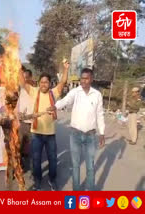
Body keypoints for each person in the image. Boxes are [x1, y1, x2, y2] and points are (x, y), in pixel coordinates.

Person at [48, 68, 105, 191]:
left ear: (91, 79)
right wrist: (55, 106)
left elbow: (100, 114)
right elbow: (65, 100)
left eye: (86, 78)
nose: (83, 81)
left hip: (90, 135)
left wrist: (102, 133)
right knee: (75, 165)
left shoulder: (97, 95)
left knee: (90, 166)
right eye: (82, 78)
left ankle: (89, 191)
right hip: (75, 134)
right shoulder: (75, 92)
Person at [19, 60, 69, 191]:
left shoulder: (53, 93)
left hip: (50, 134)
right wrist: (18, 68)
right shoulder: (34, 92)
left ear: (49, 84)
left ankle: (52, 180)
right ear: (39, 83)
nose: (43, 84)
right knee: (36, 161)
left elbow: (62, 82)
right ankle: (38, 182)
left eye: (46, 82)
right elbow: (23, 83)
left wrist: (66, 69)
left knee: (53, 160)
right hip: (36, 133)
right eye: (41, 82)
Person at [17, 67, 35, 171]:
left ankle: (29, 165)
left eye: (27, 77)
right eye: (24, 77)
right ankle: (19, 166)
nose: (25, 79)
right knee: (19, 145)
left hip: (32, 122)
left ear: (31, 77)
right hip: (22, 122)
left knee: (28, 146)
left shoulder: (34, 89)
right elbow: (19, 103)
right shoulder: (22, 89)